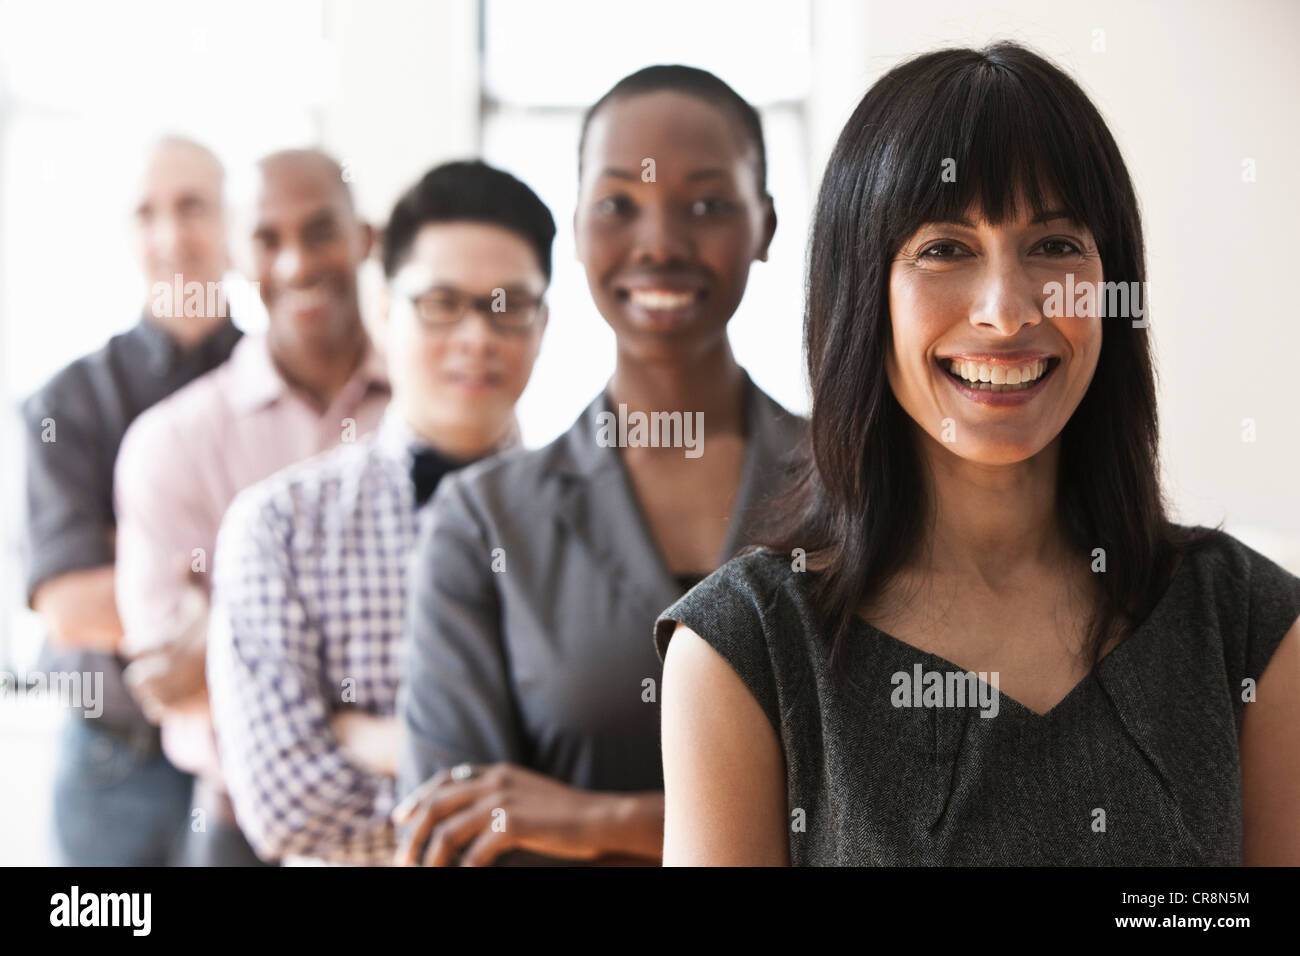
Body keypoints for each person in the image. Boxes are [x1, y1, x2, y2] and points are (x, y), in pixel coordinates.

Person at [655, 42, 1300, 866]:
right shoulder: (745, 651)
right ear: (862, 293)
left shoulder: (1249, 628)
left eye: (1057, 246)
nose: (1006, 311)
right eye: (944, 249)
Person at [394, 65, 805, 866]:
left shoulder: (855, 485)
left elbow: (899, 811)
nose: (659, 242)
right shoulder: (483, 521)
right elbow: (454, 833)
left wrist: (596, 821)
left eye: (709, 204)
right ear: (578, 228)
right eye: (619, 203)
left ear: (766, 226)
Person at [207, 160, 553, 865]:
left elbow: (621, 769)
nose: (477, 337)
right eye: (441, 303)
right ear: (385, 311)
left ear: (544, 322)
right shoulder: (279, 527)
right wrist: (541, 813)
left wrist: (383, 742)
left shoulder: (597, 519)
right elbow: (289, 808)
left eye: (508, 305)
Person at [113, 148, 390, 865]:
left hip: (415, 821)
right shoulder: (170, 442)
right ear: (239, 254)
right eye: (269, 239)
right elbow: (169, 681)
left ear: (365, 238)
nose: (297, 264)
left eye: (321, 230)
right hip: (240, 830)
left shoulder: (437, 417)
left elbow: (471, 646)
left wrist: (241, 634)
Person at [21, 136, 243, 866]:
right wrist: (244, 601)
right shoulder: (69, 402)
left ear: (231, 223)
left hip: (252, 755)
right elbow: (71, 607)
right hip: (114, 762)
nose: (172, 235)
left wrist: (144, 567)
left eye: (194, 207)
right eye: (147, 213)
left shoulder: (279, 390)